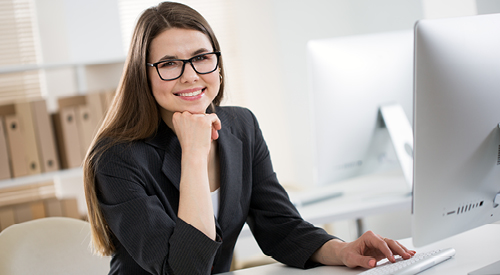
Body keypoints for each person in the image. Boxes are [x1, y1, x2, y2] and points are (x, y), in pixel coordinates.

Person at [83, 2, 415, 274]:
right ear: (144, 74)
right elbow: (183, 271)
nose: (190, 76)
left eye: (201, 58)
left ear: (218, 64)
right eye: (169, 63)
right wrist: (194, 155)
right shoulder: (116, 159)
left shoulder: (241, 126)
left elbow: (279, 226)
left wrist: (342, 250)